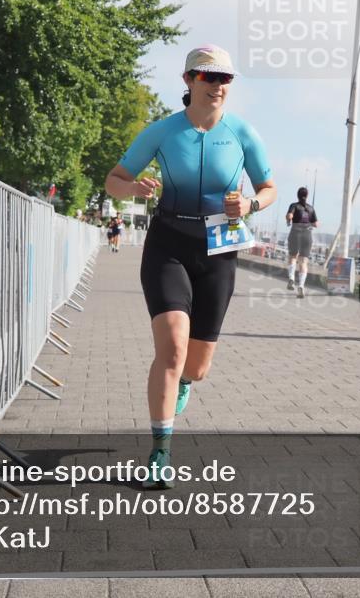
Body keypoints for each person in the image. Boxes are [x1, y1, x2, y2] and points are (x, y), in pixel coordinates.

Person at [105, 44, 276, 488]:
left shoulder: (243, 132)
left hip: (220, 248)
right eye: (208, 76)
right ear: (188, 80)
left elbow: (269, 187)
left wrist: (252, 202)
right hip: (169, 243)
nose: (218, 85)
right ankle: (160, 452)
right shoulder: (163, 132)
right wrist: (132, 189)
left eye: (225, 79)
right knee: (172, 346)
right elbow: (114, 179)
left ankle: (184, 381)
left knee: (196, 366)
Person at [285, 187, 318, 299]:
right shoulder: (311, 208)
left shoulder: (294, 205)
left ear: (297, 195)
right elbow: (316, 224)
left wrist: (288, 219)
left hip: (295, 233)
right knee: (303, 262)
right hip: (307, 235)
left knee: (293, 257)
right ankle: (301, 286)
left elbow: (290, 215)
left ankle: (291, 278)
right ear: (307, 195)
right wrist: (310, 223)